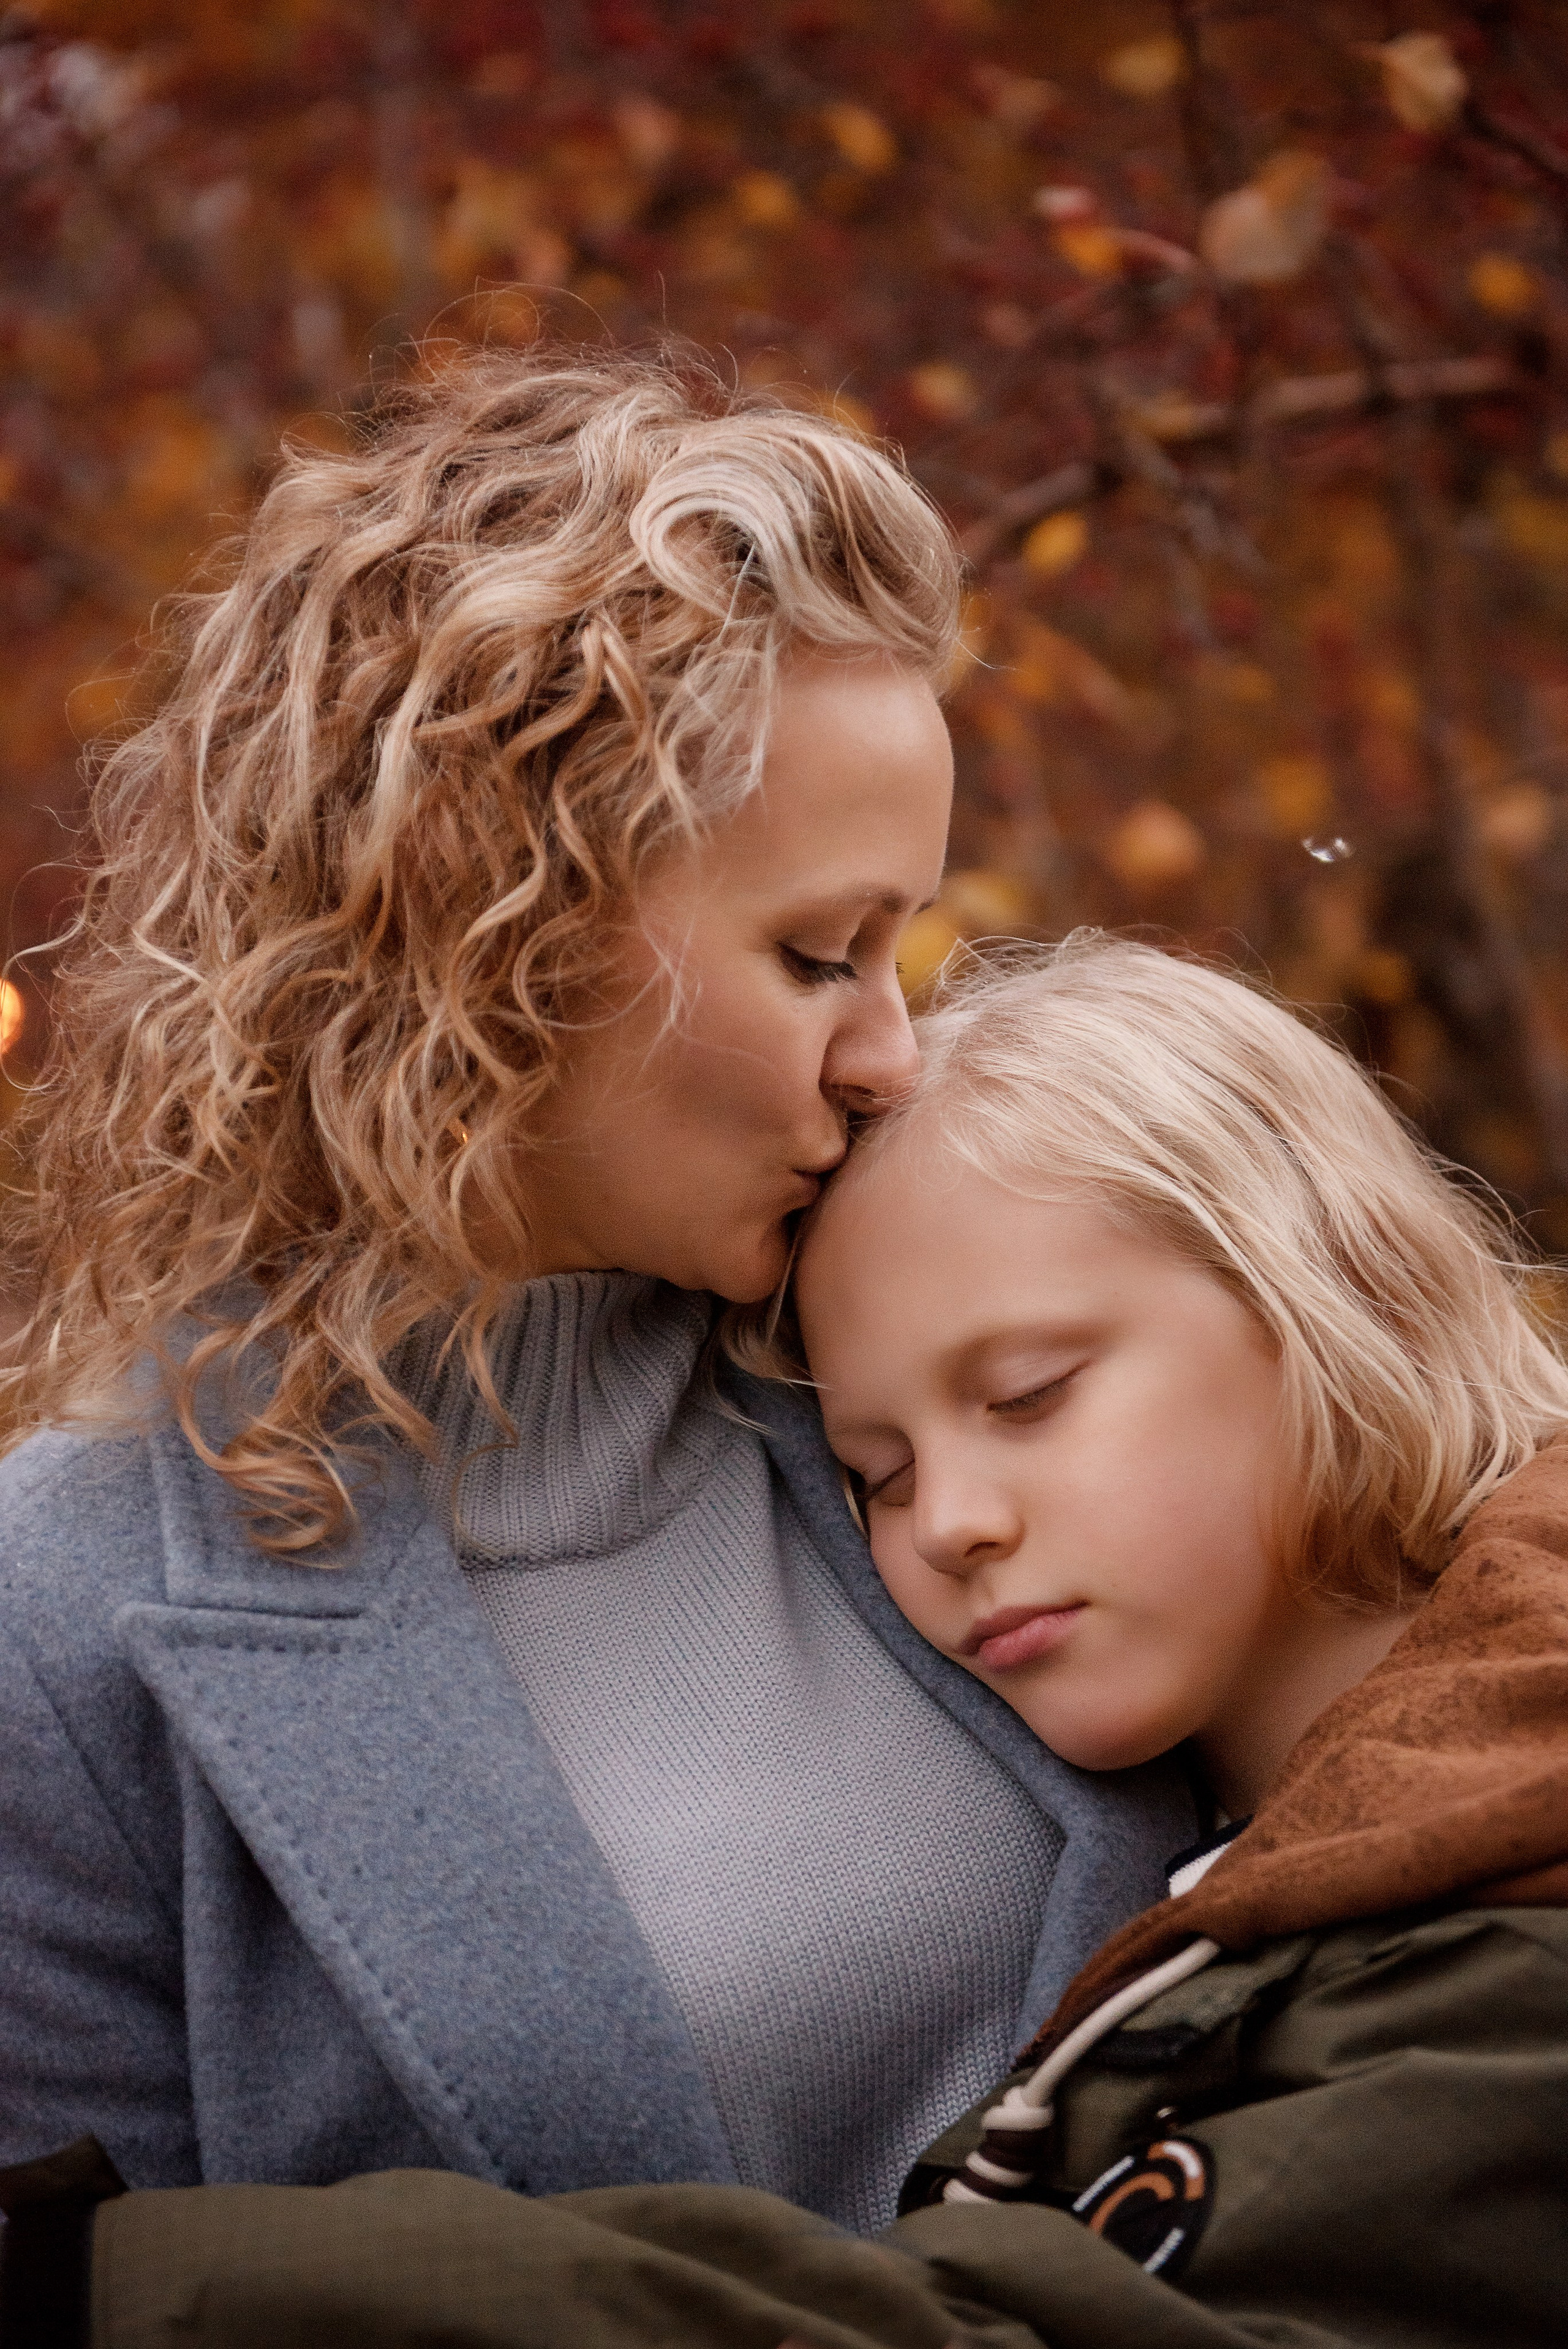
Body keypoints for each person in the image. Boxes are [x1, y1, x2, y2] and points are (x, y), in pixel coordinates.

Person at [0, 353, 1193, 2238]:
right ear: (502, 917)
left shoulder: (937, 1362)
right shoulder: (60, 1629)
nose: (892, 1052)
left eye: (901, 949)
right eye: (822, 951)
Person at [27, 935, 1568, 2349]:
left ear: (1330, 1292)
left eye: (1027, 1394)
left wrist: (129, 2283)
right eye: (874, 1474)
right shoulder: (1312, 1841)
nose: (947, 1521)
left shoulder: (1510, 1857)